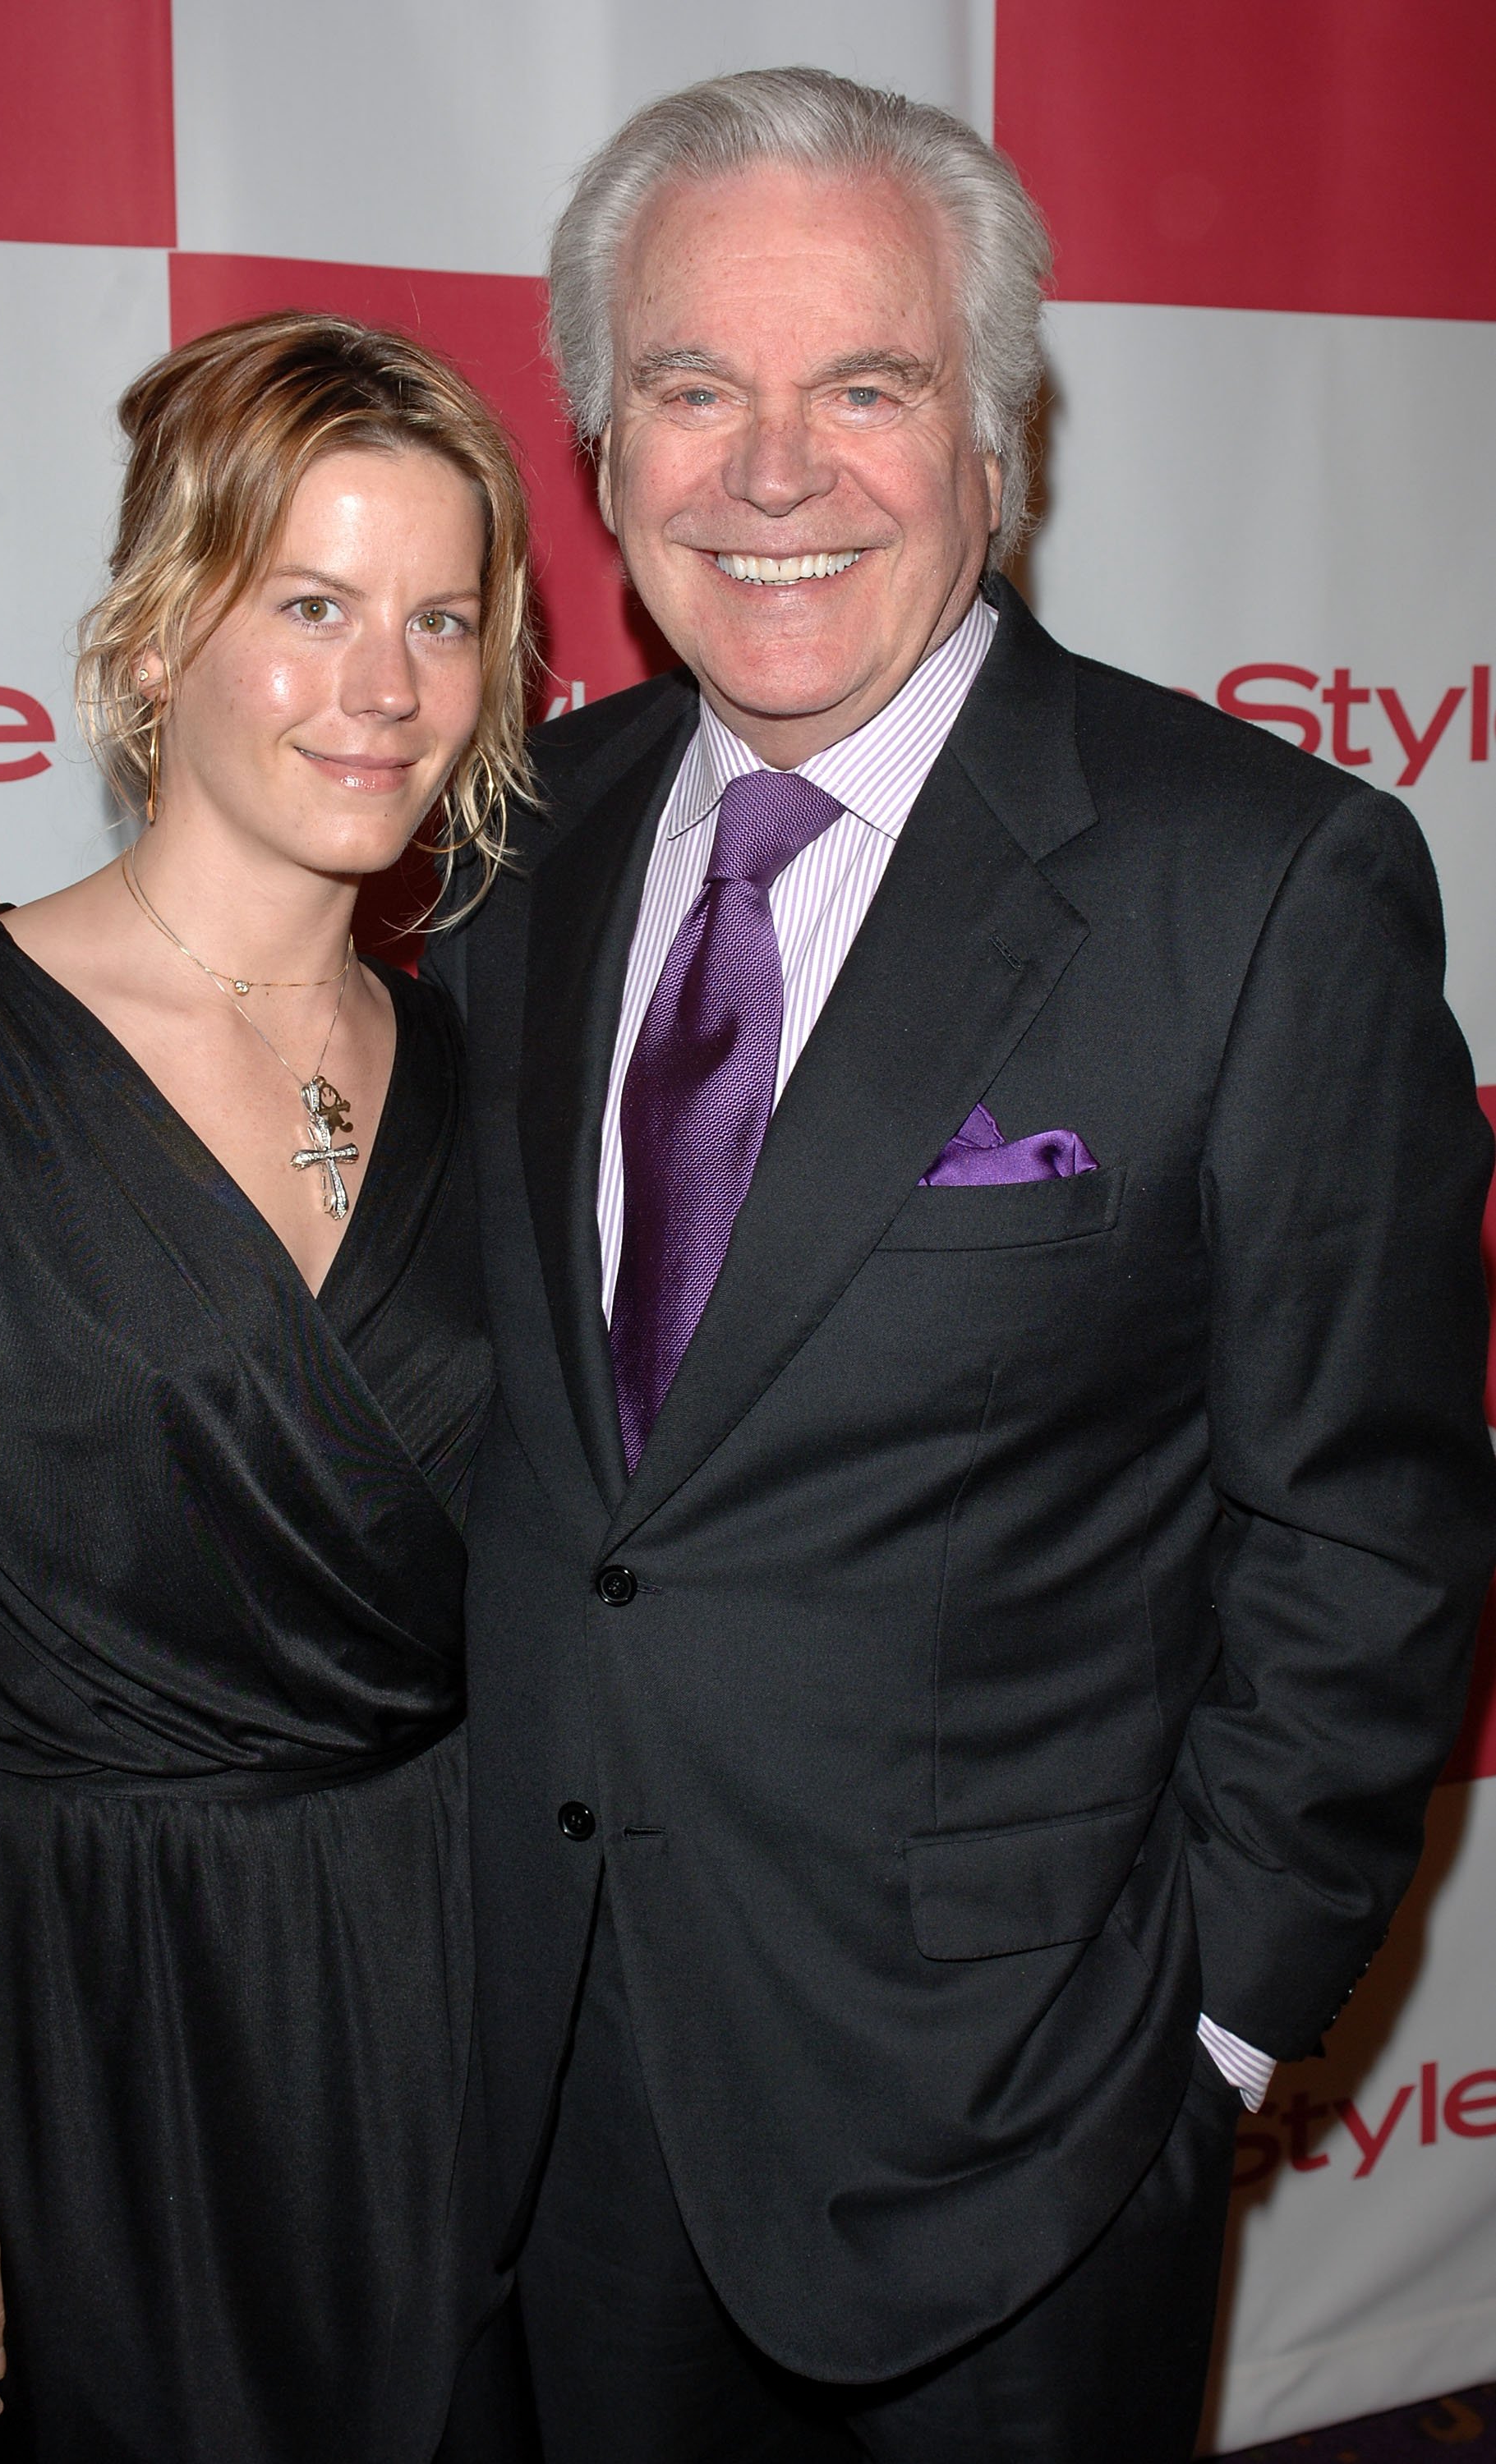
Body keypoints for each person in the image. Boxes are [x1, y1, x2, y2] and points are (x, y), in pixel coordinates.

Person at [417, 68, 1496, 2463]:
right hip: (545, 2088)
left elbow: (1367, 1526)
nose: (769, 472)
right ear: (601, 453)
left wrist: (1207, 2026)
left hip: (1011, 2127)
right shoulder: (507, 844)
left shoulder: (1260, 879)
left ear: (994, 441)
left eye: (864, 387)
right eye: (694, 388)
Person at [0, 310, 535, 2462]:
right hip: (65, 2010)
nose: (387, 688)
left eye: (442, 618)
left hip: (444, 1990)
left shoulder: (484, 1077)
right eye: (311, 605)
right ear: (156, 639)